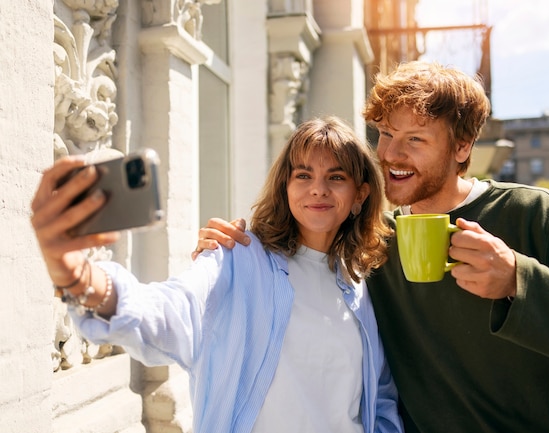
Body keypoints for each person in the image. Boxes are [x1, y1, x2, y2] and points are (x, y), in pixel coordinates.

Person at [195, 61, 549, 433]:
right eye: (385, 133)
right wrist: (233, 247)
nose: (392, 155)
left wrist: (521, 281)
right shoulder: (370, 237)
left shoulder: (532, 215)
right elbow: (297, 261)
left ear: (462, 147)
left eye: (415, 139)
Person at [31, 117, 404, 433]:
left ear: (360, 195)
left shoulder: (359, 283)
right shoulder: (238, 258)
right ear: (286, 187)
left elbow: (379, 396)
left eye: (335, 177)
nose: (317, 188)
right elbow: (170, 310)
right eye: (303, 174)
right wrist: (78, 275)